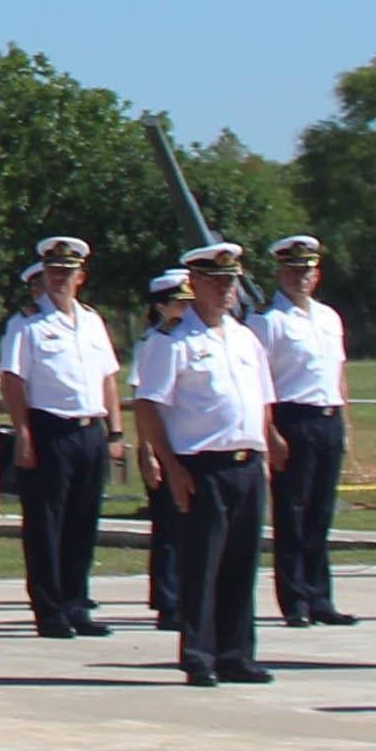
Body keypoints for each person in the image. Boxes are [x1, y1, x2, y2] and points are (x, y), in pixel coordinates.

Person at [134, 241, 278, 686]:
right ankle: (198, 653)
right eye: (216, 282)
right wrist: (171, 466)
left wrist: (266, 454)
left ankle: (236, 653)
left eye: (230, 281)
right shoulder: (172, 340)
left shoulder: (245, 338)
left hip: (246, 461)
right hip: (201, 466)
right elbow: (148, 405)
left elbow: (262, 401)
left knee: (240, 562)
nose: (225, 290)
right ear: (193, 284)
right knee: (202, 563)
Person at [0, 236, 121, 641]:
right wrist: (24, 433)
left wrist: (115, 432)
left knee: (83, 522)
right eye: (53, 273)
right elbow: (13, 380)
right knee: (46, 524)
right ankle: (49, 610)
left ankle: (76, 603)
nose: (59, 280)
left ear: (80, 277)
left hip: (90, 430)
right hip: (49, 429)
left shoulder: (92, 321)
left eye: (67, 274)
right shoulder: (27, 322)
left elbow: (108, 379)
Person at [253, 233, 354, 629]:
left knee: (321, 513)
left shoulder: (329, 318)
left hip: (327, 417)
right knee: (292, 514)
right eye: (294, 270)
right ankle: (294, 599)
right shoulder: (268, 320)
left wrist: (344, 423)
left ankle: (320, 596)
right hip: (291, 418)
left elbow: (339, 373)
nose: (301, 277)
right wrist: (271, 433)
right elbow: (259, 382)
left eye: (308, 270)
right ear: (280, 272)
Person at [137, 269, 190, 629]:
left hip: (188, 448)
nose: (184, 309)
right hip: (164, 446)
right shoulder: (153, 343)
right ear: (160, 306)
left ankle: (184, 596)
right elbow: (145, 404)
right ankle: (168, 601)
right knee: (168, 529)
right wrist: (148, 452)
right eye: (177, 303)